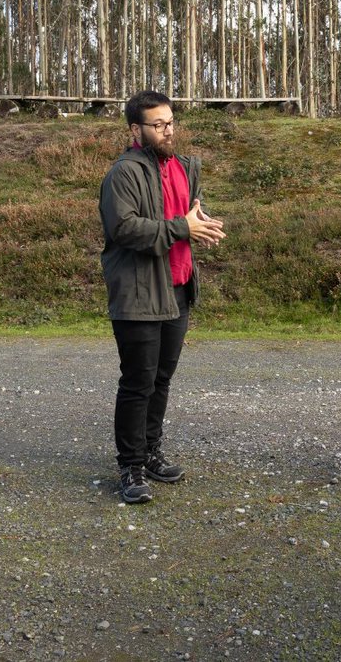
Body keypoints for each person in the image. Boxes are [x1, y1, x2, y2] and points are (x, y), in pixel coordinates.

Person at [99, 91, 225, 504]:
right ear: (135, 129)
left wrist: (201, 225)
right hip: (138, 292)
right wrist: (181, 228)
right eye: (158, 124)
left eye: (170, 122)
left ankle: (151, 452)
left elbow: (184, 216)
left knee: (161, 380)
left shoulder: (185, 167)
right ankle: (130, 467)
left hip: (178, 289)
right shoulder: (123, 173)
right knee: (138, 382)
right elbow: (126, 230)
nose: (167, 130)